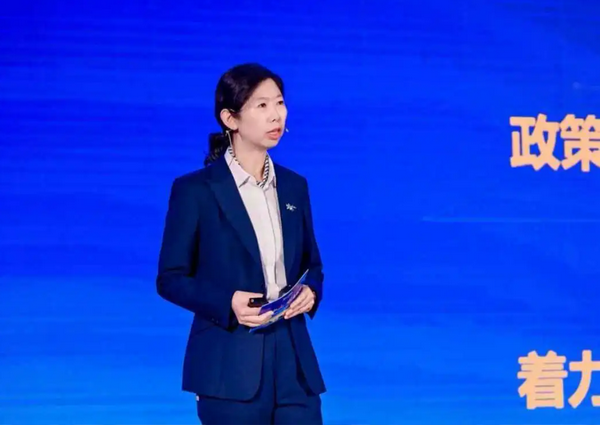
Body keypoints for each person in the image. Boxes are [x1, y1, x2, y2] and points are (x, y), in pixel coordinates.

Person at [156, 63, 326, 424]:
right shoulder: (195, 190)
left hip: (294, 364)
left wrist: (311, 292)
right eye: (261, 105)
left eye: (279, 103)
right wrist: (227, 302)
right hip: (228, 363)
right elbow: (170, 278)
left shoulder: (295, 186)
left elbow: (312, 264)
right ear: (230, 118)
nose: (276, 115)